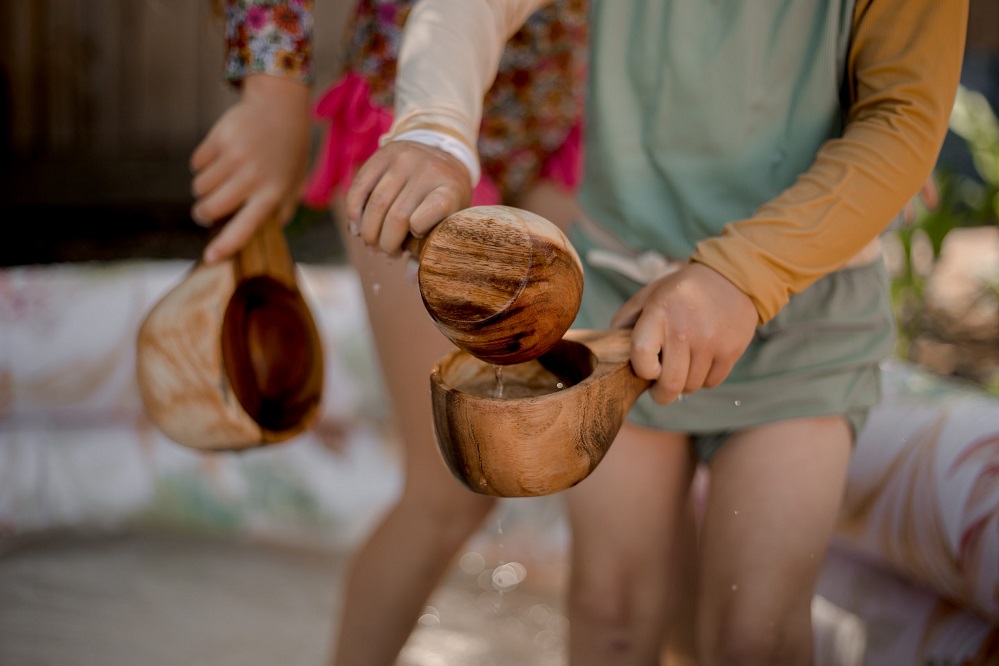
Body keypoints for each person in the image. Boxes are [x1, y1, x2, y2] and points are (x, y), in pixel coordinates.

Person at [345, 1, 969, 665]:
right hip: (622, 284)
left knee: (752, 634)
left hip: (806, 311)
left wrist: (738, 276)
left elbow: (901, 115)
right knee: (609, 610)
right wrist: (436, 132)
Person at [193, 2, 598, 665]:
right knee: (450, 487)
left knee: (618, 484)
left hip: (567, 128)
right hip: (408, 140)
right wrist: (274, 88)